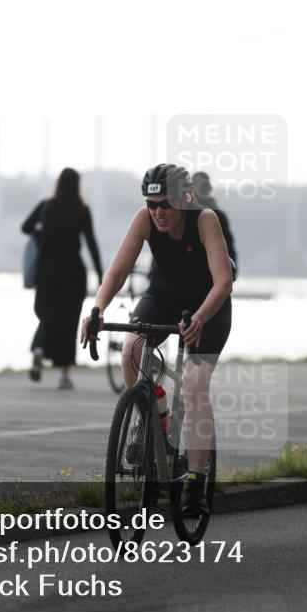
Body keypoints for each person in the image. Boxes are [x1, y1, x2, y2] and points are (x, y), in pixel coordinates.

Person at [80, 164, 233, 517]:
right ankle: (156, 423)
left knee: (194, 385)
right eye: (151, 204)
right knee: (132, 352)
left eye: (164, 204)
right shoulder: (145, 219)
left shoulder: (205, 219)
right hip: (164, 296)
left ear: (183, 199)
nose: (158, 212)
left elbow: (223, 282)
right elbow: (116, 272)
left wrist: (199, 319)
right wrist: (97, 309)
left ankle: (195, 481)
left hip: (209, 303)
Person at [22, 168, 102, 389]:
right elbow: (91, 243)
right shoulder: (82, 210)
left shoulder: (46, 206)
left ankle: (39, 349)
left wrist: (42, 233)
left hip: (46, 271)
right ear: (77, 185)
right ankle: (64, 375)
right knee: (69, 321)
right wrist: (102, 275)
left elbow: (25, 227)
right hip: (73, 272)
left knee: (47, 315)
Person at [191, 171, 237, 276]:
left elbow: (228, 248)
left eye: (202, 186)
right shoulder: (183, 214)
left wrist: (230, 275)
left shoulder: (219, 216)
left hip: (211, 276)